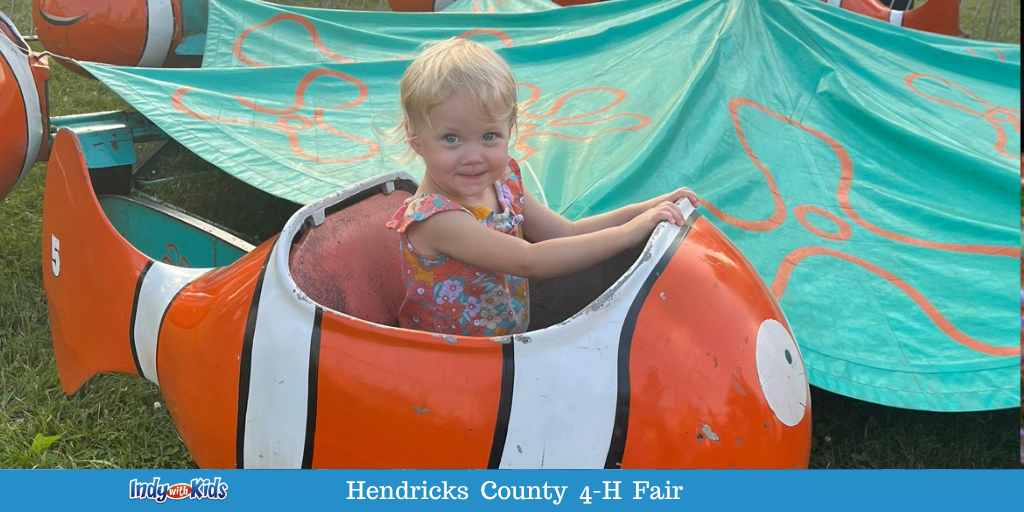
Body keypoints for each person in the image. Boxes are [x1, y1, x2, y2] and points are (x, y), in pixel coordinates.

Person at [386, 38, 697, 336]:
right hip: (455, 362)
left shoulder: (502, 181)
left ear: (510, 130)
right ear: (417, 142)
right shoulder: (437, 218)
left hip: (508, 345)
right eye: (451, 139)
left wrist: (645, 210)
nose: (473, 157)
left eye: (489, 136)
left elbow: (567, 233)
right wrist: (629, 233)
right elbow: (529, 261)